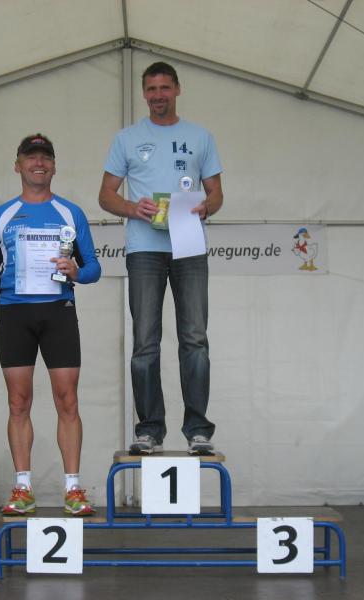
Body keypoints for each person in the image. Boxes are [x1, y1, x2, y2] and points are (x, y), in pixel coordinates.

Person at [0, 133, 100, 516]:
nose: (39, 163)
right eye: (31, 157)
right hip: (14, 312)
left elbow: (94, 268)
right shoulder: (0, 216)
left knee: (67, 400)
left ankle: (73, 488)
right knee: (18, 402)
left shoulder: (71, 213)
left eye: (45, 157)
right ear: (17, 164)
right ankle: (23, 488)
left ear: (54, 166)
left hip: (58, 310)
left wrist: (76, 271)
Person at [99, 61, 224, 456]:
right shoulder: (127, 138)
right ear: (143, 93)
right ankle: (150, 430)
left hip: (189, 245)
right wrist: (132, 208)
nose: (158, 95)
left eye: (164, 88)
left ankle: (198, 430)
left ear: (177, 90)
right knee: (145, 342)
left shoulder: (201, 136)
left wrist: (206, 207)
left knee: (195, 339)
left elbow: (217, 193)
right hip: (144, 248)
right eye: (151, 89)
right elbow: (105, 195)